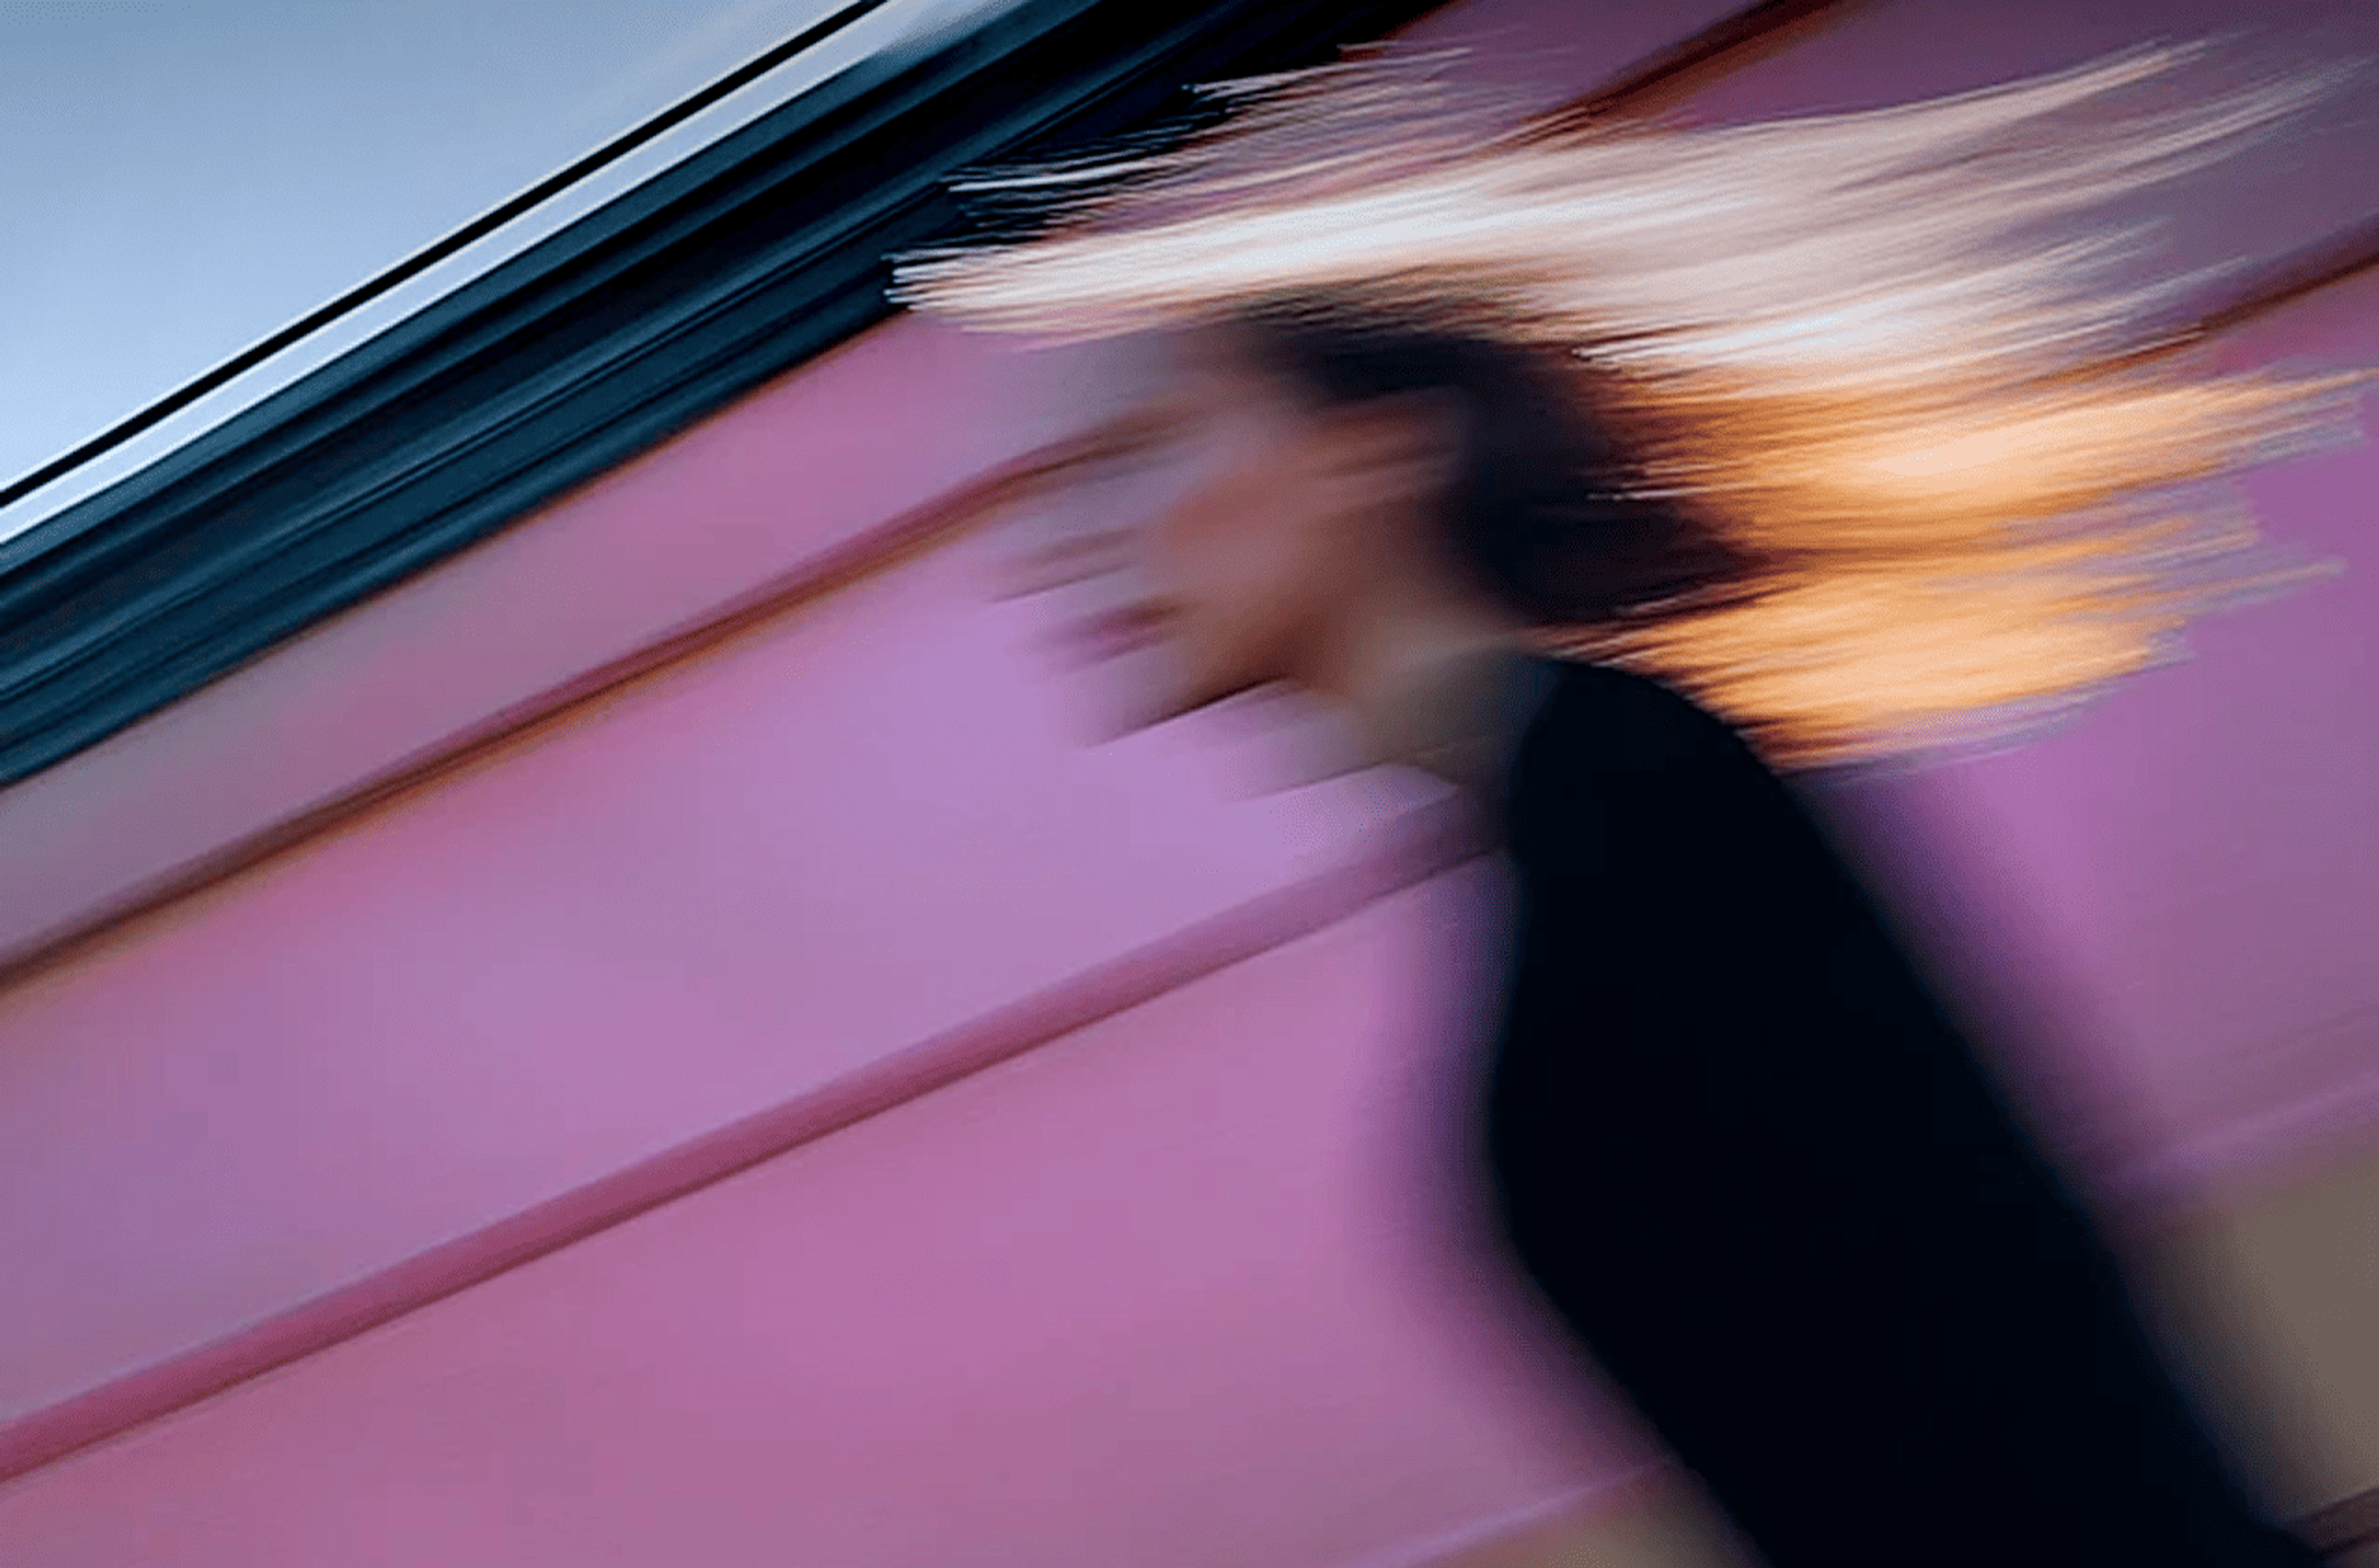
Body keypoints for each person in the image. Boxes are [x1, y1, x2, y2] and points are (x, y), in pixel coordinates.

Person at [893, 40, 2369, 1566]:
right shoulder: (1562, 807)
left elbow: (2000, 1332)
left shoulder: (1632, 785)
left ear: (1369, 454)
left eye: (1137, 453)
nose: (1072, 544)